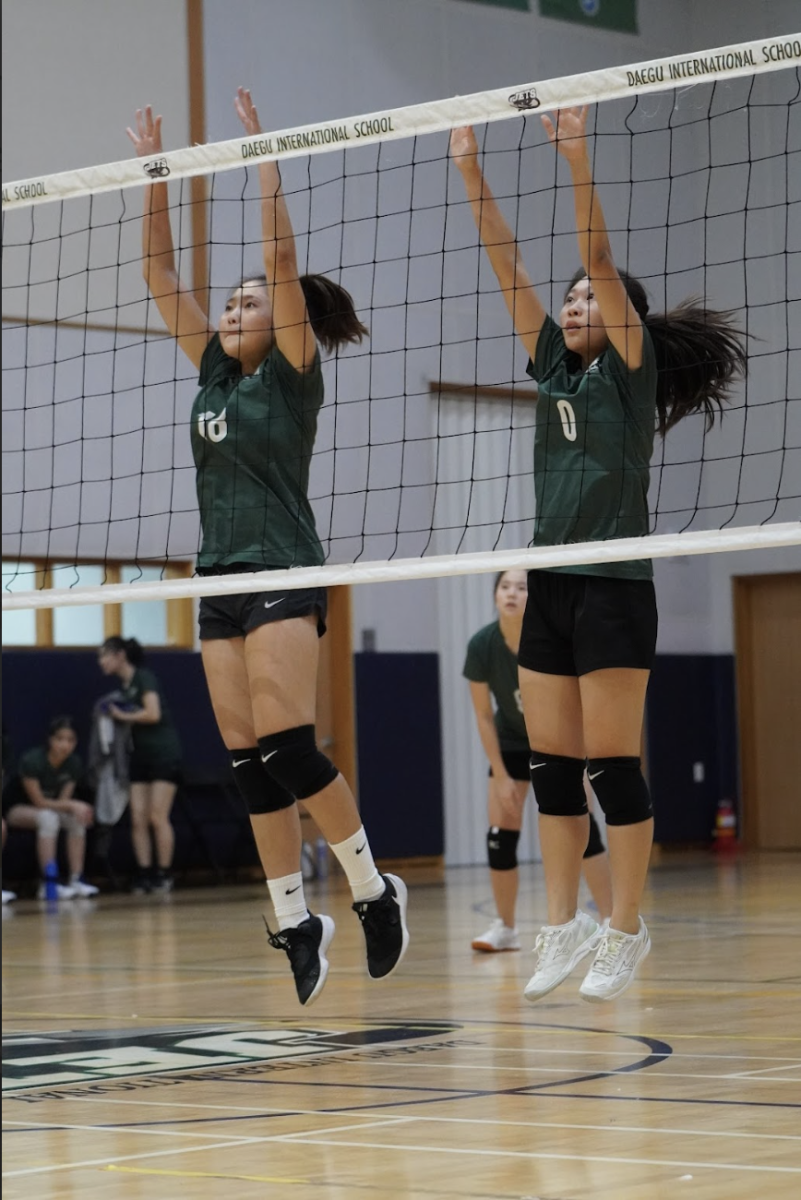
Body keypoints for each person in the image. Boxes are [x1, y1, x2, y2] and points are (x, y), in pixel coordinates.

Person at [451, 108, 746, 1002]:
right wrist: (469, 168)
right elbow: (505, 263)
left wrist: (575, 159)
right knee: (551, 766)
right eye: (570, 297)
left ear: (622, 320)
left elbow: (601, 260)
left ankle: (625, 926)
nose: (574, 303)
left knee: (612, 766)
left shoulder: (627, 368)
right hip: (551, 585)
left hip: (615, 584)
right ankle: (560, 922)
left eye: (588, 298)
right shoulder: (550, 366)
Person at [125, 90, 409, 1005]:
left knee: (289, 745)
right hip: (219, 578)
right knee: (246, 761)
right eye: (235, 300)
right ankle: (294, 919)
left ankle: (371, 889)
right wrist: (156, 175)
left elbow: (281, 260)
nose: (237, 306)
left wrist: (263, 161)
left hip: (285, 566)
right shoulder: (212, 366)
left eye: (251, 300)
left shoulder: (292, 374)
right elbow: (160, 277)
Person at [464, 570, 612, 952]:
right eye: (505, 586)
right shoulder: (482, 644)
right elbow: (482, 714)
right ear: (495, 594)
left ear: (536, 597)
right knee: (499, 838)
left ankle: (611, 922)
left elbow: (578, 699)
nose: (512, 593)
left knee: (585, 829)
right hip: (511, 741)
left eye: (521, 587)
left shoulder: (553, 638)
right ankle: (506, 928)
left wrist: (579, 757)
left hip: (558, 738)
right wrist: (499, 774)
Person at [98, 636, 182, 893]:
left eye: (104, 655)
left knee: (158, 816)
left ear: (120, 655)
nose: (101, 662)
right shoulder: (122, 689)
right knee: (138, 819)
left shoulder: (144, 677)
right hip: (139, 756)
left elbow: (153, 713)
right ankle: (144, 873)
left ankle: (164, 874)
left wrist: (123, 715)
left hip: (163, 754)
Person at [4, 717, 99, 899]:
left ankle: (76, 879)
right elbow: (39, 801)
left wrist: (76, 809)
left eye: (70, 740)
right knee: (48, 818)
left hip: (49, 810)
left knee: (75, 819)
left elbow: (61, 801)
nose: (65, 745)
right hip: (18, 810)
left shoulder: (73, 764)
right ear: (50, 740)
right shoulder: (32, 760)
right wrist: (73, 804)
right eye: (60, 739)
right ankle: (48, 882)